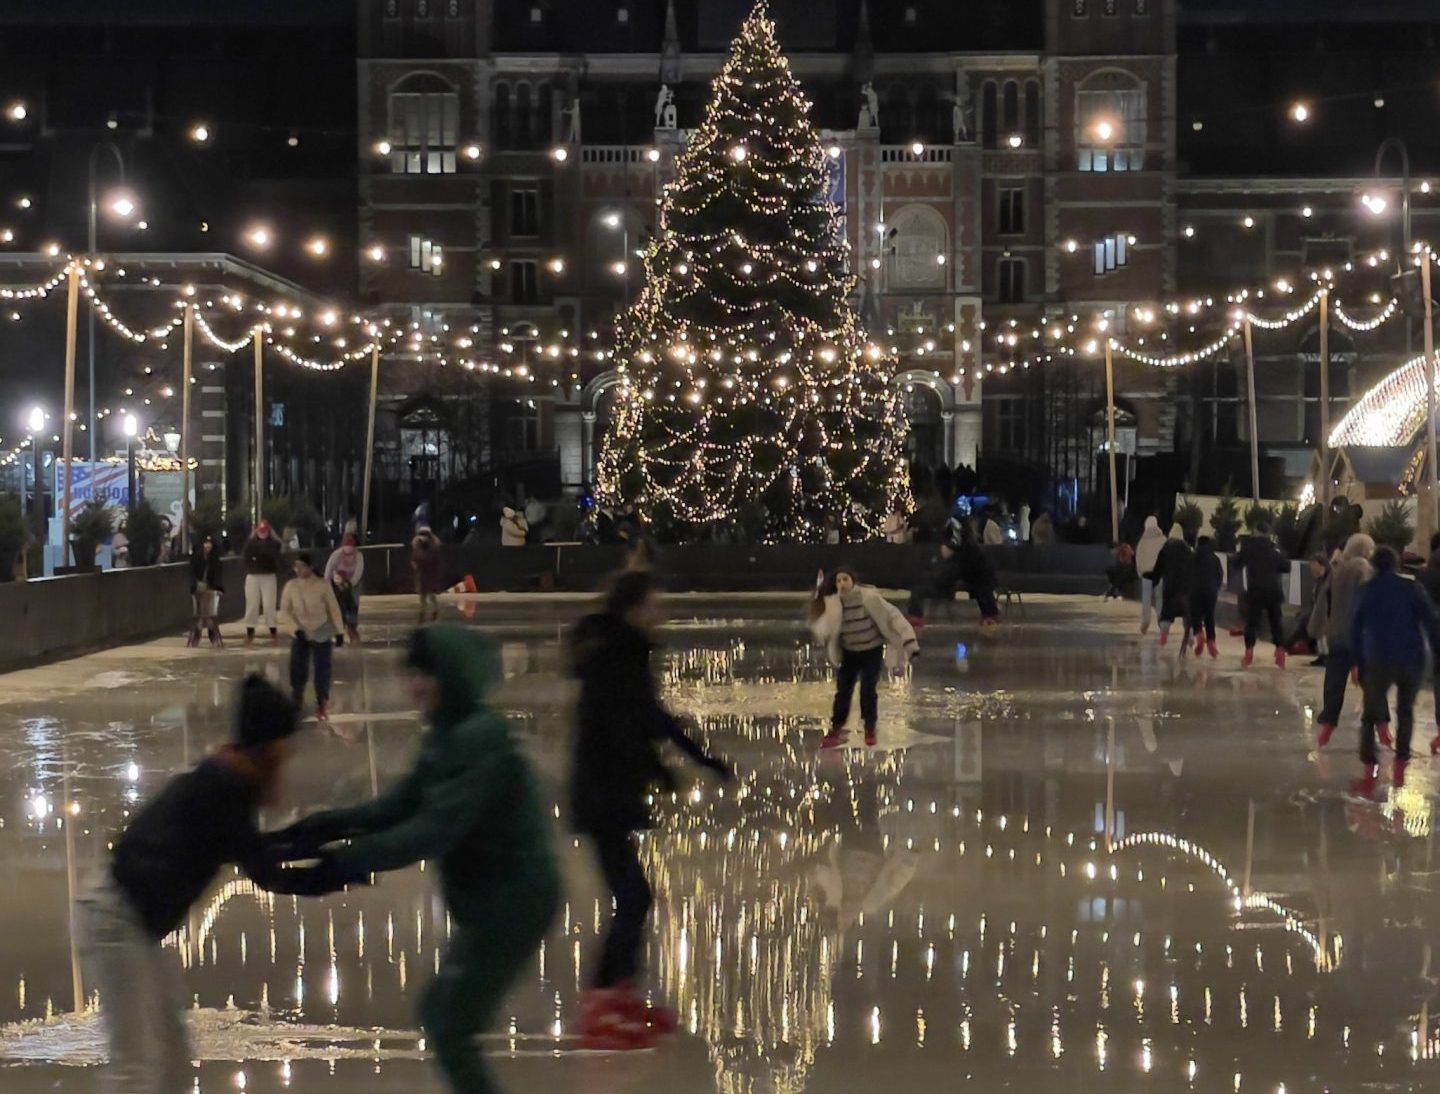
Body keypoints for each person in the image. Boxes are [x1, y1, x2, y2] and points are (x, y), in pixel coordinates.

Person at [270, 626, 560, 1092]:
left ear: (454, 675)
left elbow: (433, 828)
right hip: (491, 896)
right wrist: (320, 828)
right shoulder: (447, 733)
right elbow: (400, 806)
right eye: (412, 675)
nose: (415, 687)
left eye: (427, 675)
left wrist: (346, 861)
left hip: (516, 898)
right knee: (439, 1013)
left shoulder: (480, 738)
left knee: (450, 1025)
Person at [79, 676, 360, 1094]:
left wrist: (318, 839)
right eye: (285, 744)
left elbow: (253, 850)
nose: (290, 755)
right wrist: (338, 869)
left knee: (171, 1058)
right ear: (267, 745)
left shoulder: (226, 778)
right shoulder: (224, 790)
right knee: (136, 1066)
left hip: (129, 922)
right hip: (116, 921)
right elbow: (266, 871)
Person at [569, 570, 734, 1048]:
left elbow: (650, 716)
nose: (660, 613)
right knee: (634, 896)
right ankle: (601, 1000)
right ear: (634, 607)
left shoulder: (622, 652)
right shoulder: (615, 657)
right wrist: (661, 769)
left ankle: (617, 991)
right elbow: (621, 724)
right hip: (603, 792)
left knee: (635, 896)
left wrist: (700, 758)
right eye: (654, 604)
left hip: (610, 790)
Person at [1348, 546, 1440, 781]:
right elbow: (1431, 621)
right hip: (1412, 657)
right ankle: (1402, 756)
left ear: (1374, 565)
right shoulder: (1412, 588)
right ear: (1396, 564)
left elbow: (1355, 629)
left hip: (1378, 658)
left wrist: (1356, 662)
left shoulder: (1366, 591)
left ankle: (1369, 760)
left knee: (1371, 712)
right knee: (1406, 709)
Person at [810, 565, 919, 748]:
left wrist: (909, 641)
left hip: (871, 651)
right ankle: (836, 729)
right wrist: (818, 613)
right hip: (849, 654)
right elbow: (824, 626)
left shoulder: (869, 598)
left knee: (868, 691)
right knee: (843, 692)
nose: (842, 584)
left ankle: (869, 728)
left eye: (845, 579)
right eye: (838, 580)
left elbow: (894, 616)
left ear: (853, 581)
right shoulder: (834, 603)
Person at [1315, 534, 1384, 749]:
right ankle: (1384, 731)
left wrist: (1316, 629)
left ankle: (1327, 725)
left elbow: (1323, 601)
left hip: (1336, 635)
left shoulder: (1337, 570)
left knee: (1333, 684)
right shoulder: (1364, 570)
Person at [279, 551, 344, 721]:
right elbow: (284, 611)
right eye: (296, 566)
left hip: (321, 629)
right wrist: (295, 629)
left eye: (302, 566)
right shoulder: (291, 586)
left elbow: (333, 609)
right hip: (300, 631)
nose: (298, 570)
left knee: (322, 668)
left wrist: (339, 631)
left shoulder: (322, 585)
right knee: (297, 666)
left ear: (310, 567)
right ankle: (297, 697)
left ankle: (322, 701)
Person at [1237, 516, 1288, 668]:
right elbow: (1286, 566)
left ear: (1255, 531)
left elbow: (1237, 563)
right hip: (1274, 591)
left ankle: (1249, 652)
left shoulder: (1248, 547)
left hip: (1256, 591)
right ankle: (1280, 652)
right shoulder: (1275, 548)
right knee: (1276, 622)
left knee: (1252, 623)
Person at [241, 520, 283, 647]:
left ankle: (273, 634)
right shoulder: (251, 543)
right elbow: (245, 557)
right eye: (260, 531)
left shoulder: (274, 544)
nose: (262, 534)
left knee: (269, 605)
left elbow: (275, 555)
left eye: (264, 531)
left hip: (268, 575)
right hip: (253, 575)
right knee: (252, 605)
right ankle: (250, 634)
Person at [906, 537, 965, 626]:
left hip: (944, 590)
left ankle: (916, 616)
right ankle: (914, 614)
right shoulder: (938, 559)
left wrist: (933, 577)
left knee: (918, 591)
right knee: (918, 589)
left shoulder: (953, 563)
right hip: (935, 585)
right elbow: (929, 571)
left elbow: (944, 579)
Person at [1152, 525, 1193, 649]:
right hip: (1185, 589)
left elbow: (1158, 568)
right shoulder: (1187, 549)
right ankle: (1190, 637)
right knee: (1188, 614)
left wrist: (1155, 580)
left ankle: (1163, 636)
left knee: (1166, 613)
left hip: (1169, 587)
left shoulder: (1165, 549)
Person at [954, 521, 1001, 624]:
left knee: (981, 589)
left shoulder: (967, 548)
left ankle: (990, 615)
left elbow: (967, 567)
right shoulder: (971, 547)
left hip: (980, 579)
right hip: (982, 578)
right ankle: (990, 614)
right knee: (982, 589)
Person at [324, 534, 365, 644]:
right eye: (346, 547)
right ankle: (339, 630)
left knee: (353, 604)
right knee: (338, 606)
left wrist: (349, 584)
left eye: (351, 548)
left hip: (353, 583)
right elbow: (328, 572)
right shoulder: (336, 555)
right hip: (337, 583)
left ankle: (352, 627)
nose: (349, 551)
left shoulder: (359, 556)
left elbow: (358, 572)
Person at [1187, 535, 1223, 659]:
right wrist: (1215, 589)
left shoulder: (1192, 557)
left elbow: (1186, 575)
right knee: (1209, 616)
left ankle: (1199, 634)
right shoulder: (1215, 559)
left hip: (1195, 591)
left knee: (1195, 614)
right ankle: (1211, 641)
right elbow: (1220, 576)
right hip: (1211, 592)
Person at [187, 534, 224, 648]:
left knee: (206, 610)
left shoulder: (215, 559)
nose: (208, 545)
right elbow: (192, 573)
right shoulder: (196, 557)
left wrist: (218, 588)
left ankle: (201, 632)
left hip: (210, 588)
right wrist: (195, 585)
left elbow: (218, 575)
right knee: (205, 611)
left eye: (209, 543)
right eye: (206, 543)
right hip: (198, 589)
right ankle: (208, 632)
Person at [1134, 515, 1167, 635]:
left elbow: (1139, 557)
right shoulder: (1162, 539)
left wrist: (1140, 572)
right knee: (1160, 598)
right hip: (1159, 573)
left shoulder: (1142, 541)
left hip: (1146, 573)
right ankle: (1161, 622)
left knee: (1146, 598)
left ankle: (1145, 621)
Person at [411, 525, 443, 623]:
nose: (423, 537)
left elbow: (429, 559)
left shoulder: (432, 546)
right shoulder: (418, 545)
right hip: (423, 574)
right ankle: (423, 613)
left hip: (429, 574)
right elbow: (415, 558)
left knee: (430, 594)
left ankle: (434, 611)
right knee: (423, 595)